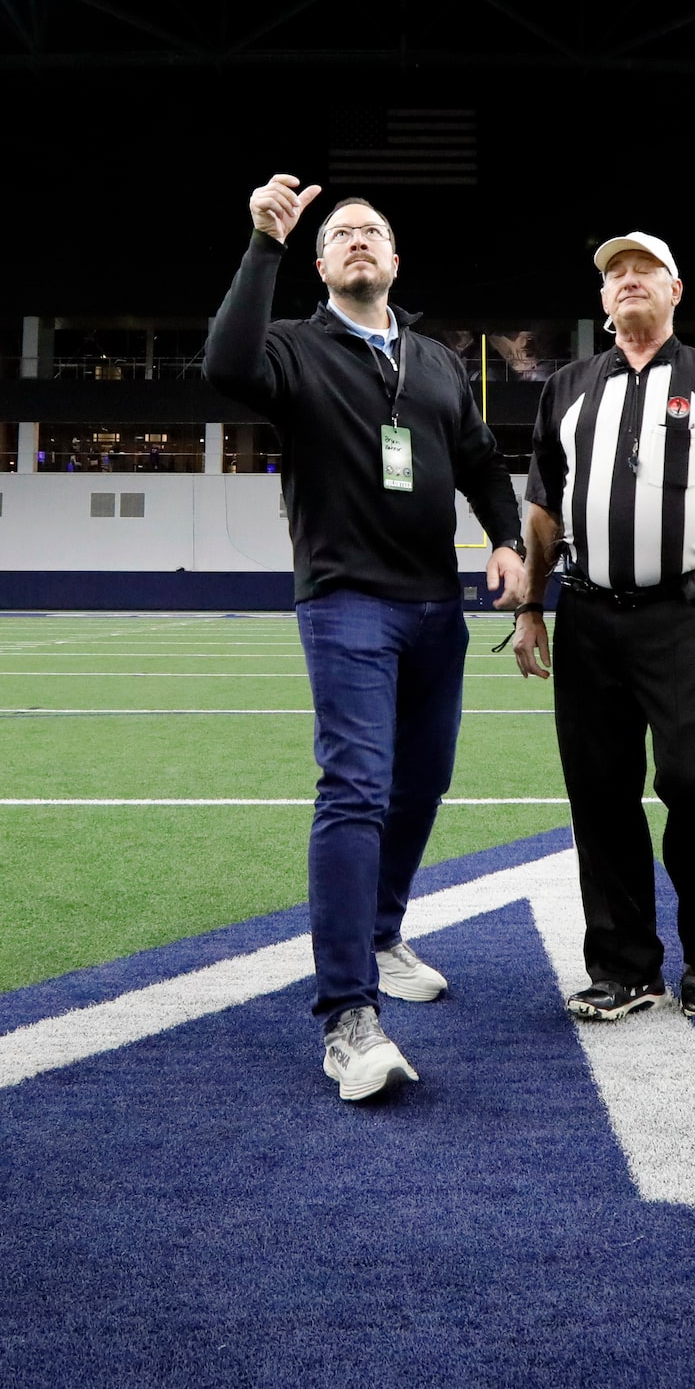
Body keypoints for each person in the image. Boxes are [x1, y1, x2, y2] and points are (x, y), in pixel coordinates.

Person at [205, 179, 528, 1100]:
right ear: (319, 262)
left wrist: (505, 540)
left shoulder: (434, 360)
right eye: (339, 233)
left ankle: (381, 936)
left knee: (422, 781)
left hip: (436, 604)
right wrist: (262, 243)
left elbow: (477, 461)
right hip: (346, 599)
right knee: (355, 787)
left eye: (371, 232)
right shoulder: (293, 347)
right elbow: (225, 369)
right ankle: (346, 1014)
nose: (356, 240)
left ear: (394, 261)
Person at [510, 233, 695, 1020]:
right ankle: (623, 968)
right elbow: (541, 511)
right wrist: (530, 610)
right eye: (615, 274)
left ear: (676, 290)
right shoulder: (568, 388)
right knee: (599, 794)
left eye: (644, 270)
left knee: (687, 780)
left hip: (681, 613)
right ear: (602, 301)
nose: (629, 280)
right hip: (586, 616)